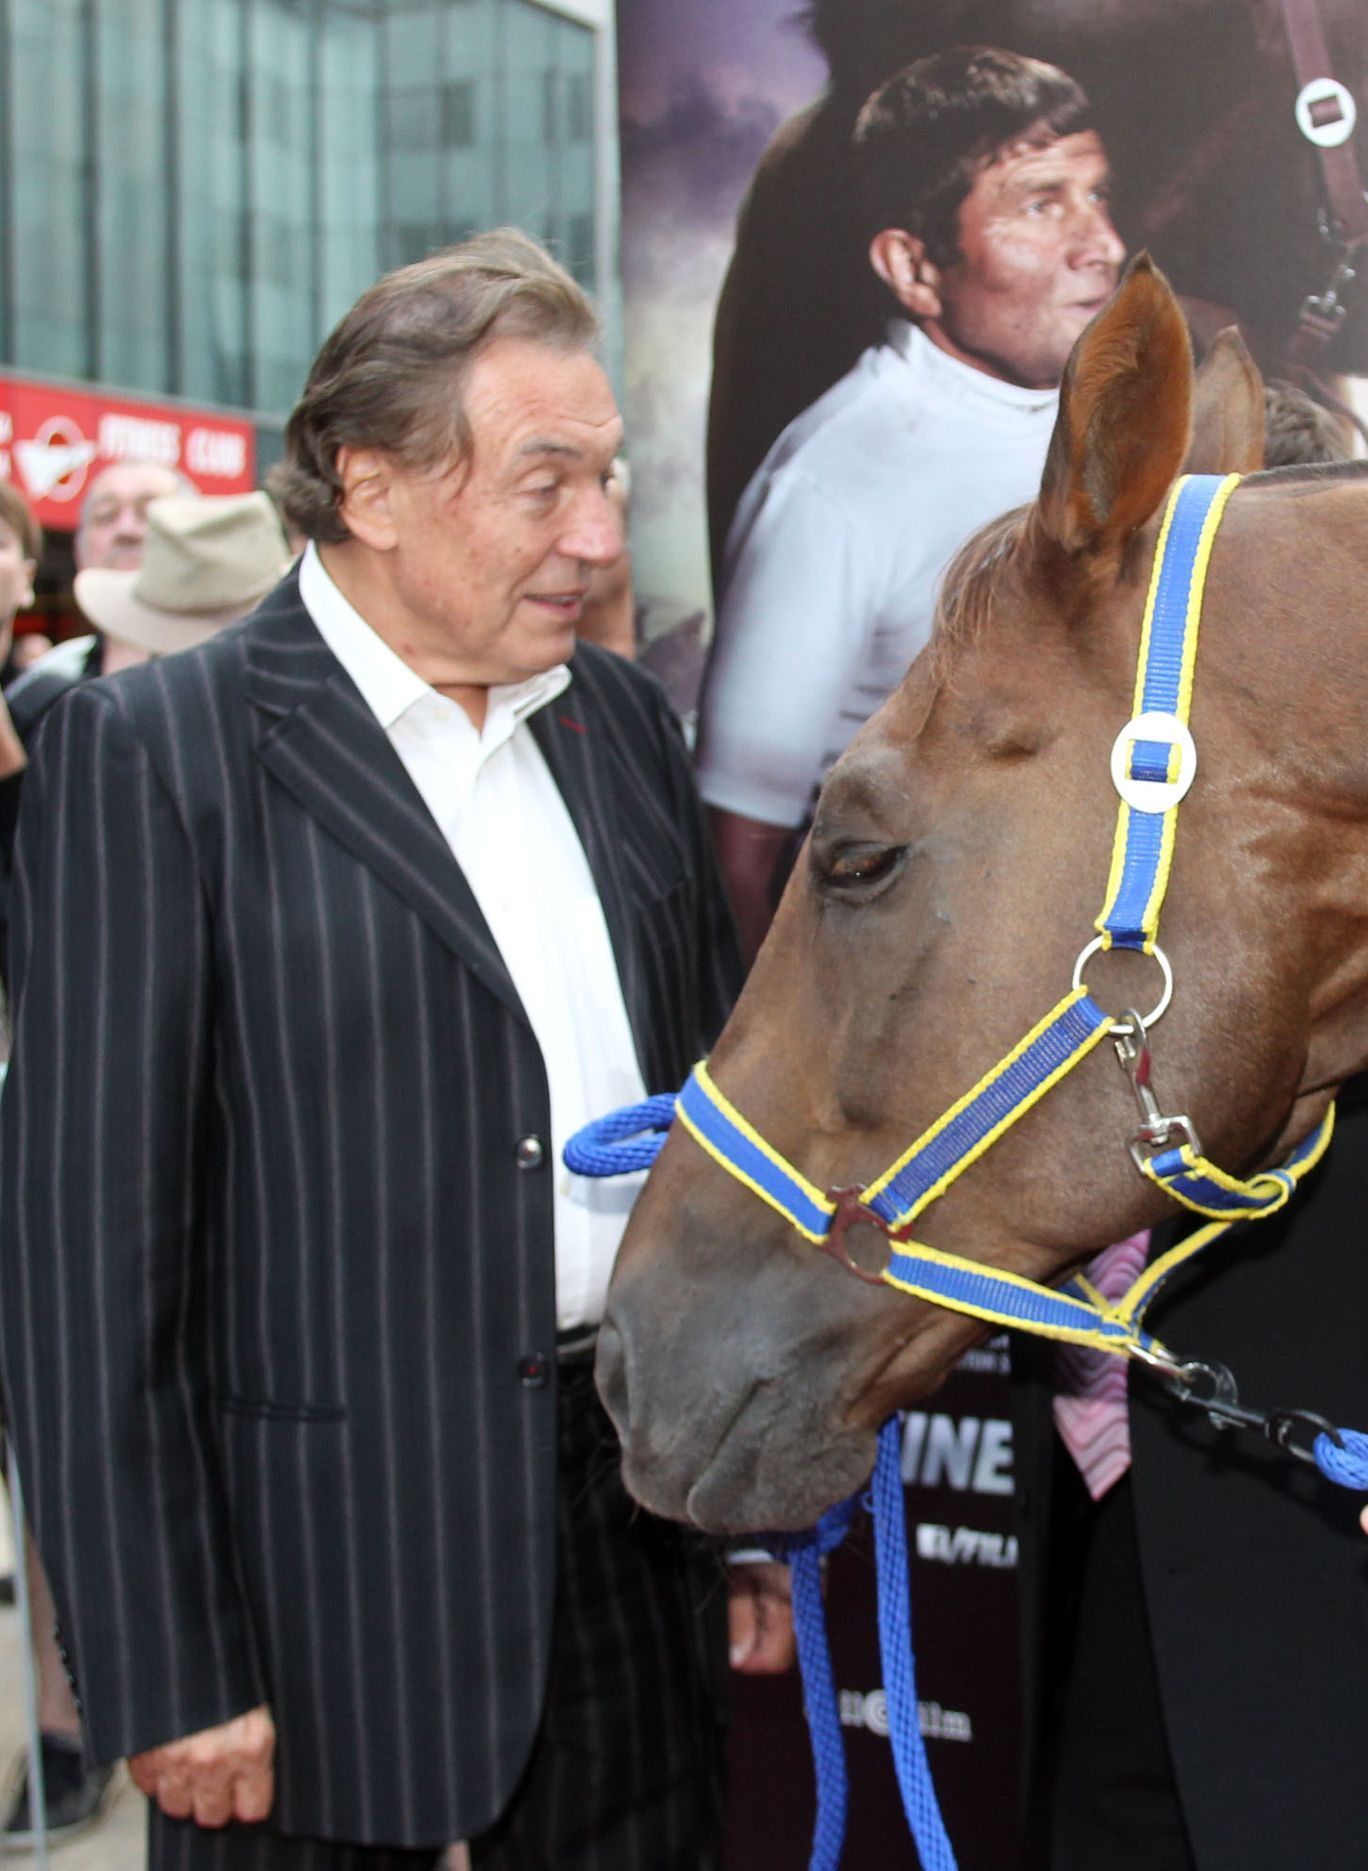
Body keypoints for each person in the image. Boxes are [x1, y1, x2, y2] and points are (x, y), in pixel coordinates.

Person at [0, 228, 786, 1871]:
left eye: (607, 481)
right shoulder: (158, 757)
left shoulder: (622, 721)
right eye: (542, 483)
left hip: (631, 1541)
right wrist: (162, 1661)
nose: (594, 534)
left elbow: (712, 1135)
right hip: (318, 1610)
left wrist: (741, 1510)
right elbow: (85, 1276)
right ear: (367, 485)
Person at [694, 46, 1124, 959]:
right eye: (1042, 204)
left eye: (1097, 196)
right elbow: (740, 849)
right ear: (913, 266)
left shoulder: (1119, 412)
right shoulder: (833, 481)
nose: (1103, 245)